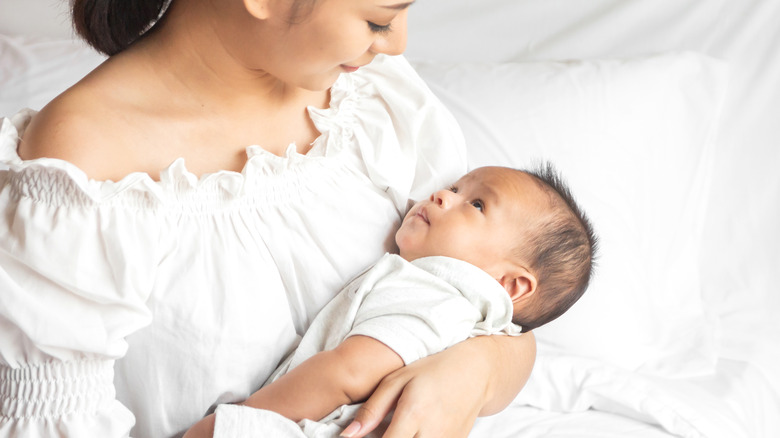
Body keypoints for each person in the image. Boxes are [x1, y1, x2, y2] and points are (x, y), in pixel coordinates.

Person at [0, 0, 537, 437]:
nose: (396, 42)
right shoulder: (82, 162)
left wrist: (475, 373)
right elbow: (52, 417)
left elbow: (501, 304)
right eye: (378, 19)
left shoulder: (375, 98)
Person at [184, 164, 598, 437]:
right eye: (455, 187)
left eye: (475, 204)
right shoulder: (469, 317)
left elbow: (348, 373)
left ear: (511, 285)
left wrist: (240, 419)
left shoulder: (438, 295)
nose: (441, 195)